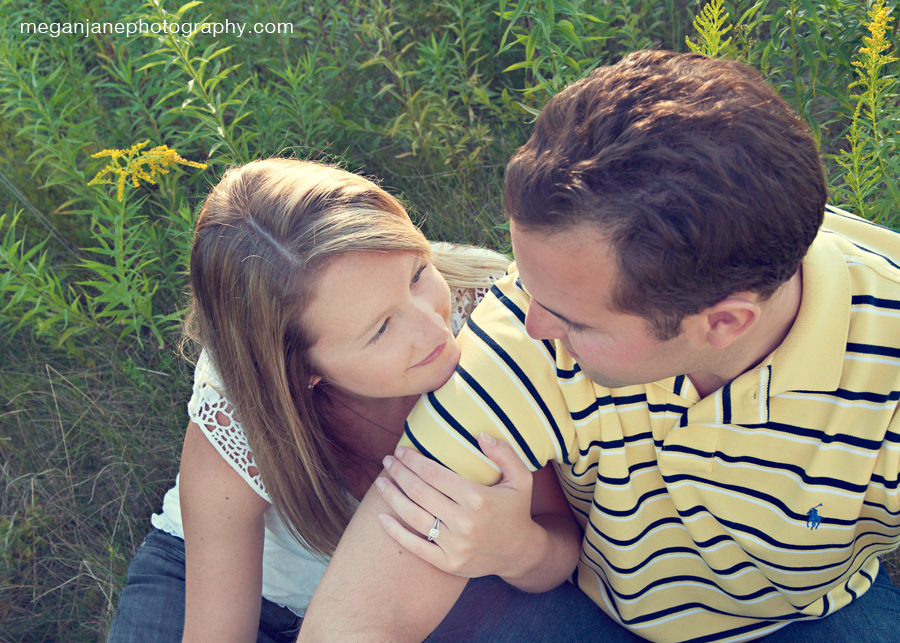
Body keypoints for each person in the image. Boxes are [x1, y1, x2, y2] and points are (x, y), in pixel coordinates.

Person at [298, 50, 900, 642]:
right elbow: (353, 618)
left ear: (723, 323)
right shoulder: (528, 323)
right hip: (589, 612)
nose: (531, 325)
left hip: (805, 619)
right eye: (528, 286)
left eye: (575, 321)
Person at [105, 158, 585, 643]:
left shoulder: (489, 321)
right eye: (380, 330)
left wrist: (517, 550)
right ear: (305, 370)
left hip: (414, 599)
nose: (433, 328)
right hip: (230, 588)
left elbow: (559, 542)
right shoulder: (239, 418)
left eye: (418, 274)